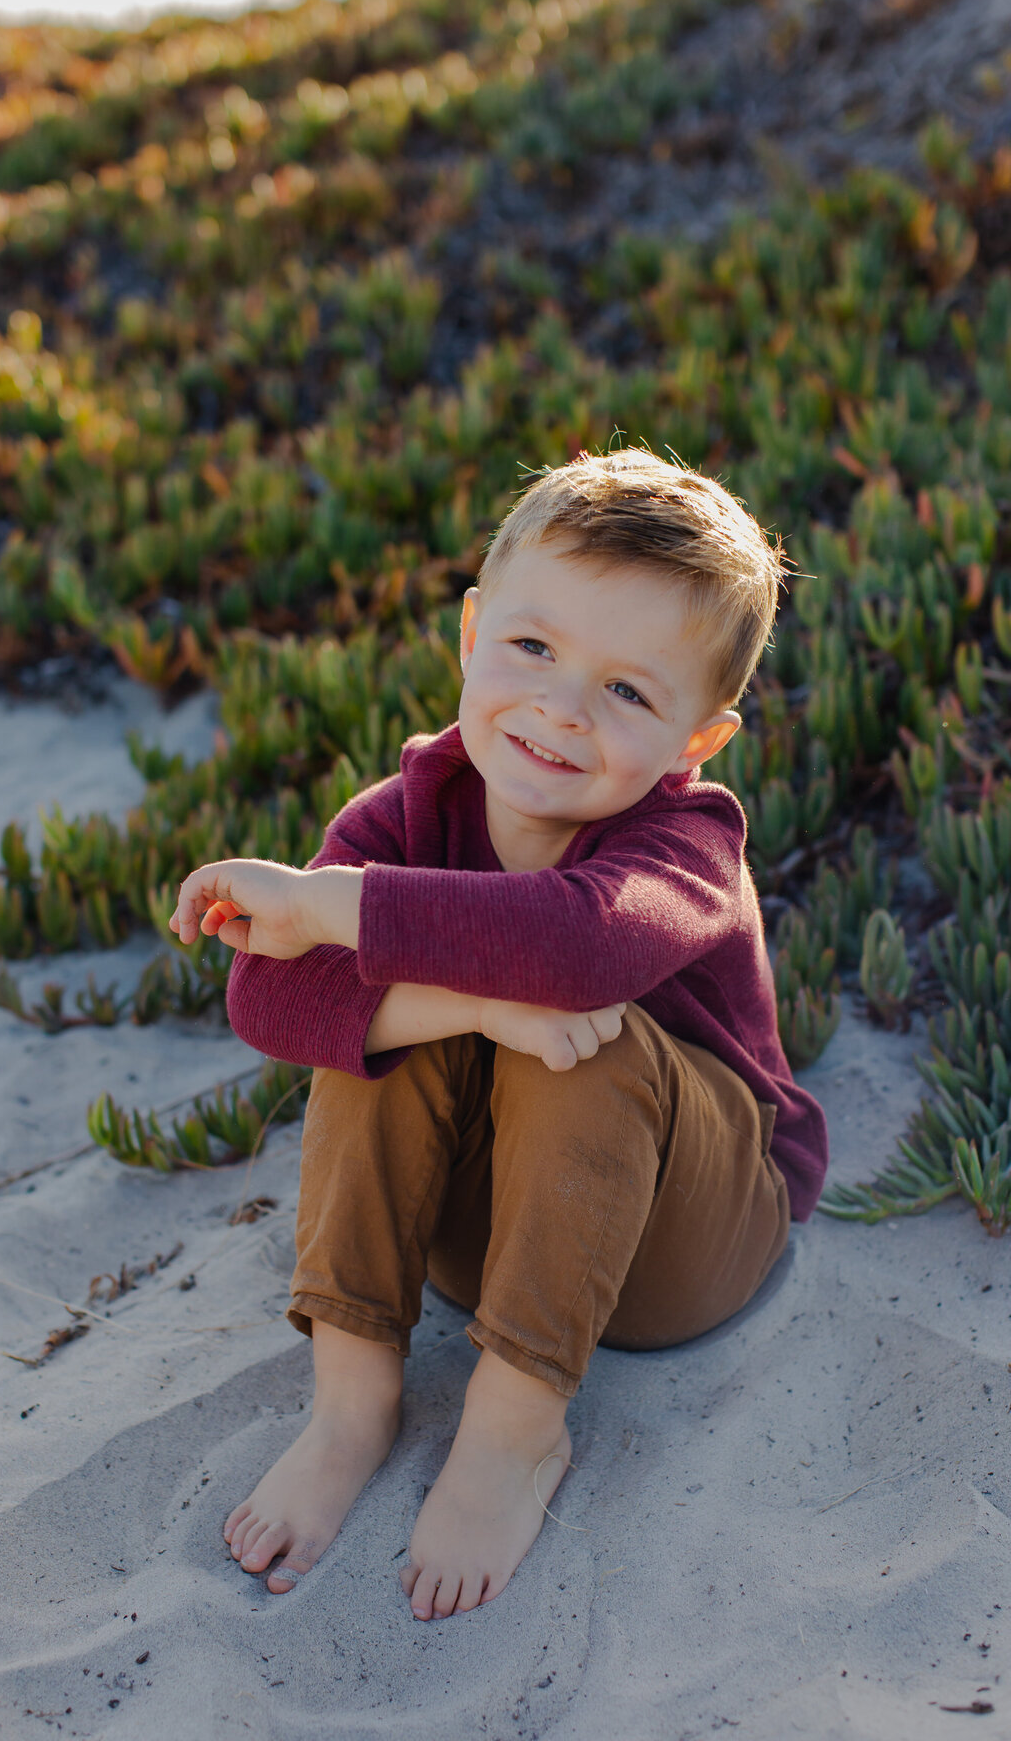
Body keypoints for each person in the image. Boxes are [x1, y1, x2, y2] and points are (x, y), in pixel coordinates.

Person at [169, 444, 829, 1622]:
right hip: (483, 1230)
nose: (561, 710)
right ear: (472, 634)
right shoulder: (406, 813)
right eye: (533, 648)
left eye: (629, 692)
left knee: (588, 1031)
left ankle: (517, 1430)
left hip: (688, 1248)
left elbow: (575, 952)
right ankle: (354, 1396)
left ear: (697, 740)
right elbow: (266, 1002)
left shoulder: (686, 847)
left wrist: (326, 906)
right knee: (381, 1025)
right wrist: (472, 1004)